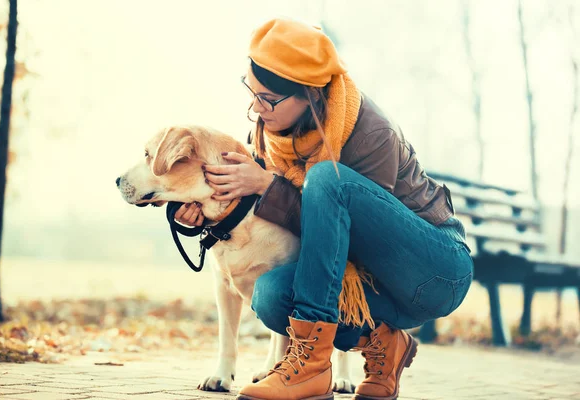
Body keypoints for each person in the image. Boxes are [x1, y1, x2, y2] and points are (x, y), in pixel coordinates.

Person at [175, 18, 474, 400]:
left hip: (435, 270)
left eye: (267, 98)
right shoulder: (271, 135)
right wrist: (206, 215)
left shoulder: (371, 132)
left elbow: (353, 244)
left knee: (327, 179)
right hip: (380, 296)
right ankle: (384, 343)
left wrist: (268, 185)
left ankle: (310, 367)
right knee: (272, 295)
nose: (255, 107)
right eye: (252, 91)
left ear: (309, 94)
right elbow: (274, 222)